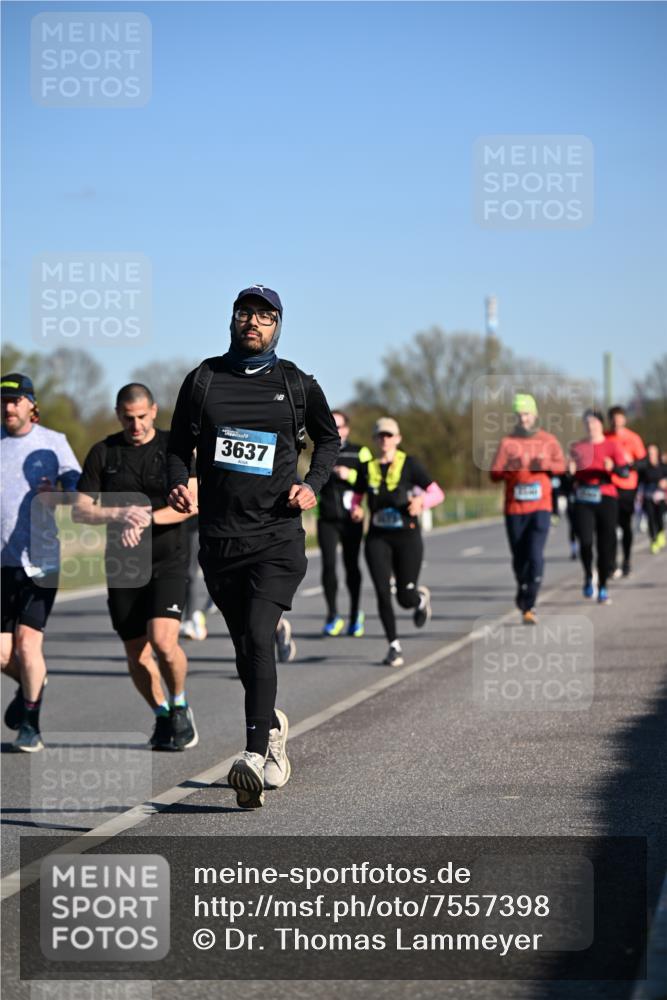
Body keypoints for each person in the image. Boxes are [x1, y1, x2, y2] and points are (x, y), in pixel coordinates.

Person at [167, 284, 339, 809]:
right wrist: (181, 479)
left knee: (261, 636)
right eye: (246, 314)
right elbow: (178, 445)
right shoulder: (203, 380)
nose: (254, 323)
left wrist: (313, 483)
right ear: (232, 321)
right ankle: (272, 735)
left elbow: (329, 440)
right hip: (220, 539)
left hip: (276, 535)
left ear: (278, 327)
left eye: (265, 317)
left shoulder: (296, 385)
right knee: (246, 647)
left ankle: (253, 756)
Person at [73, 383, 198, 751]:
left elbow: (190, 504)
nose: (136, 425)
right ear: (118, 415)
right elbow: (81, 509)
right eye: (128, 418)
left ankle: (179, 705)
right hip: (122, 566)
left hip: (168, 559)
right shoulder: (104, 452)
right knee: (136, 653)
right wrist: (119, 512)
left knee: (163, 641)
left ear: (154, 411)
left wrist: (144, 518)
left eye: (142, 417)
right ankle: (161, 714)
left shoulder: (173, 448)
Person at [1, 372, 81, 752]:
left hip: (41, 560)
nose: (7, 407)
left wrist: (62, 491)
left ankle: (31, 725)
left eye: (14, 400)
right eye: (2, 400)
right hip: (3, 562)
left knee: (28, 645)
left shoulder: (53, 442)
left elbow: (78, 486)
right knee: (3, 654)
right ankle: (35, 680)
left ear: (31, 404)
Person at [350, 417, 444, 666]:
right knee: (382, 592)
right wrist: (356, 509)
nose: (384, 440)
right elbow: (356, 497)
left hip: (407, 537)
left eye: (389, 435)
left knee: (404, 597)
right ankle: (394, 645)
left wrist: (421, 502)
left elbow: (437, 492)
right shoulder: (366, 467)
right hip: (377, 538)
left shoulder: (410, 464)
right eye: (380, 435)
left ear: (398, 439)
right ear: (374, 439)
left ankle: (419, 600)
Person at [490, 394, 567, 624]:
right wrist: (507, 469)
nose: (523, 419)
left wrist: (546, 465)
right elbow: (493, 473)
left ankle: (530, 602)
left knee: (535, 555)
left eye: (526, 414)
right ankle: (523, 587)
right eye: (519, 415)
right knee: (519, 557)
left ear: (534, 415)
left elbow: (562, 467)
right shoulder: (507, 443)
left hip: (540, 506)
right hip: (514, 508)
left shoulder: (548, 440)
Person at [317, 410, 372, 637]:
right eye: (332, 425)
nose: (336, 430)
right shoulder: (320, 451)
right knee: (328, 567)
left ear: (347, 429)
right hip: (327, 519)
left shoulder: (361, 452)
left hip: (351, 519)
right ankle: (332, 615)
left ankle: (355, 613)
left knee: (351, 566)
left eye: (339, 426)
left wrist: (350, 476)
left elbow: (372, 482)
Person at [570, 409, 629, 604]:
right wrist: (569, 472)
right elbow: (568, 479)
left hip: (606, 497)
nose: (590, 425)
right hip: (584, 499)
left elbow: (625, 473)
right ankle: (588, 575)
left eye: (594, 421)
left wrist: (614, 467)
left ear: (601, 424)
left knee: (605, 546)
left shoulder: (612, 446)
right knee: (585, 542)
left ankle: (603, 586)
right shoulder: (577, 447)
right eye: (587, 422)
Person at [605, 406, 646, 577]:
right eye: (613, 419)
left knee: (625, 525)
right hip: (609, 486)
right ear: (610, 420)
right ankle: (612, 562)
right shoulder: (605, 437)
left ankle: (627, 560)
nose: (616, 422)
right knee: (609, 527)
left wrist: (629, 466)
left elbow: (643, 463)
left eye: (619, 418)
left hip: (628, 487)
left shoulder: (633, 438)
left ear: (624, 420)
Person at [180, 516, 208, 640]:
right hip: (173, 525)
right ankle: (192, 615)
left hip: (193, 524)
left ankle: (191, 618)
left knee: (190, 573)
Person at [639, 444, 667, 554]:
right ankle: (653, 540)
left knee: (659, 518)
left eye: (653, 453)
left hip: (660, 497)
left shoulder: (663, 466)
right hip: (648, 497)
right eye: (649, 453)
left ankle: (660, 533)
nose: (651, 455)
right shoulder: (645, 468)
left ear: (657, 453)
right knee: (650, 519)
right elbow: (640, 482)